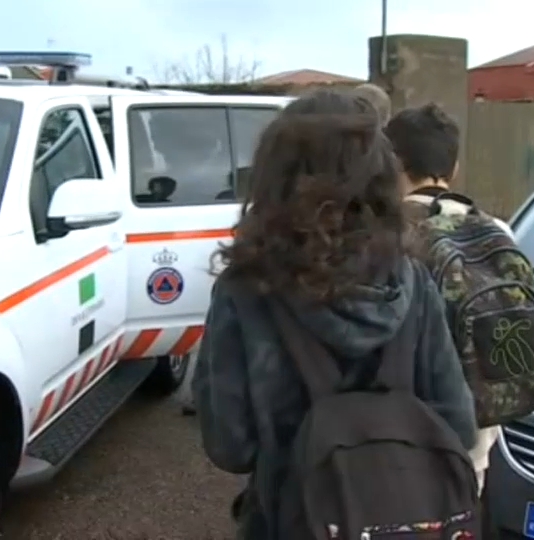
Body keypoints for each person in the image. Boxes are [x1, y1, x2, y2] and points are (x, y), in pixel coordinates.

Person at [191, 90, 478, 539]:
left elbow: (231, 446)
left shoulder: (244, 292)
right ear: (381, 177)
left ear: (273, 177)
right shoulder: (414, 282)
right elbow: (458, 425)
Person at [384, 103, 534, 497]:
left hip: (402, 442)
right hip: (474, 442)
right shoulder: (496, 229)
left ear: (392, 162)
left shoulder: (386, 233)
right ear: (453, 167)